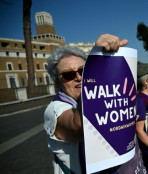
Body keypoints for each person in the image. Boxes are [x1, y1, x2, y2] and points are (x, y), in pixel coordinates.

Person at [44, 34, 128, 174]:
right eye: (68, 75)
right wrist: (97, 65)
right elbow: (81, 126)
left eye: (83, 71)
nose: (79, 77)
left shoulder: (99, 97)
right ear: (57, 82)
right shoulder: (54, 109)